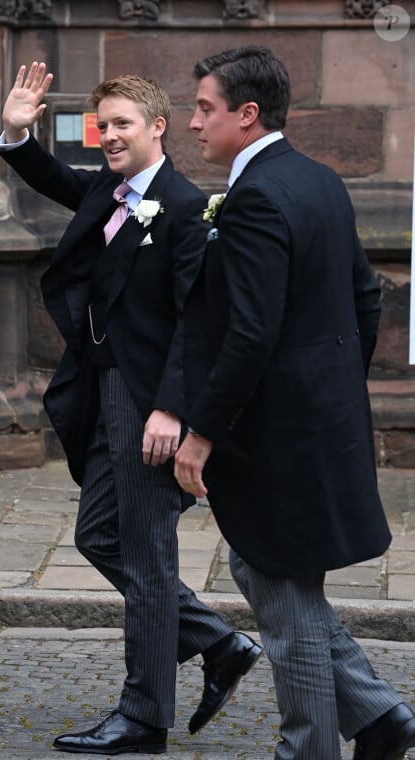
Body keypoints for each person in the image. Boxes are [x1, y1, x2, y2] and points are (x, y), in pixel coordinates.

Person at [0, 62, 262, 755]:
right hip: (104, 391)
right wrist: (18, 133)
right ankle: (215, 640)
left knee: (145, 559)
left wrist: (172, 410)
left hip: (151, 406)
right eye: (102, 125)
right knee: (98, 535)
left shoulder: (183, 208)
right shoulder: (107, 193)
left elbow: (196, 324)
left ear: (158, 128)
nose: (109, 136)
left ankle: (142, 719)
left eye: (122, 125)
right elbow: (52, 178)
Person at [174, 44, 415, 759]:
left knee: (282, 599)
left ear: (247, 115)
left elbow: (250, 334)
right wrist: (334, 381)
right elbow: (364, 295)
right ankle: (377, 716)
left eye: (204, 109)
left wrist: (202, 434)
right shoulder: (320, 179)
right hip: (322, 419)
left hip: (279, 434)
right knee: (267, 573)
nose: (192, 123)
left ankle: (309, 750)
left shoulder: (255, 196)